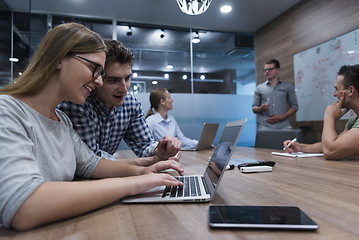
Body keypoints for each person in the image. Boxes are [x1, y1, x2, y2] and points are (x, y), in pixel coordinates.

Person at [0, 22, 183, 231]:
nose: (98, 81)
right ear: (59, 58)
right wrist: (133, 184)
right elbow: (23, 206)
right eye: (94, 69)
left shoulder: (61, 119)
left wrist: (145, 172)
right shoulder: (6, 111)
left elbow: (91, 164)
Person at [58, 39, 181, 165]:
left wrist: (159, 150)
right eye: (113, 80)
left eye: (127, 78)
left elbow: (144, 145)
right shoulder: (77, 103)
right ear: (97, 78)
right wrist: (147, 162)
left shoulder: (130, 104)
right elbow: (89, 161)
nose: (124, 88)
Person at [283, 65, 359, 160]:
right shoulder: (355, 119)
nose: (334, 94)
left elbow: (331, 151)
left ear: (351, 91)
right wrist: (301, 147)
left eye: (336, 89)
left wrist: (329, 116)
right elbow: (335, 143)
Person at [252, 59, 298, 130]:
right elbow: (254, 108)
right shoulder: (259, 88)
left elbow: (294, 106)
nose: (267, 72)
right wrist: (261, 108)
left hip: (284, 125)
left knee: (288, 141)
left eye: (270, 69)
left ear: (277, 70)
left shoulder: (287, 86)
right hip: (265, 126)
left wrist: (282, 117)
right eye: (265, 70)